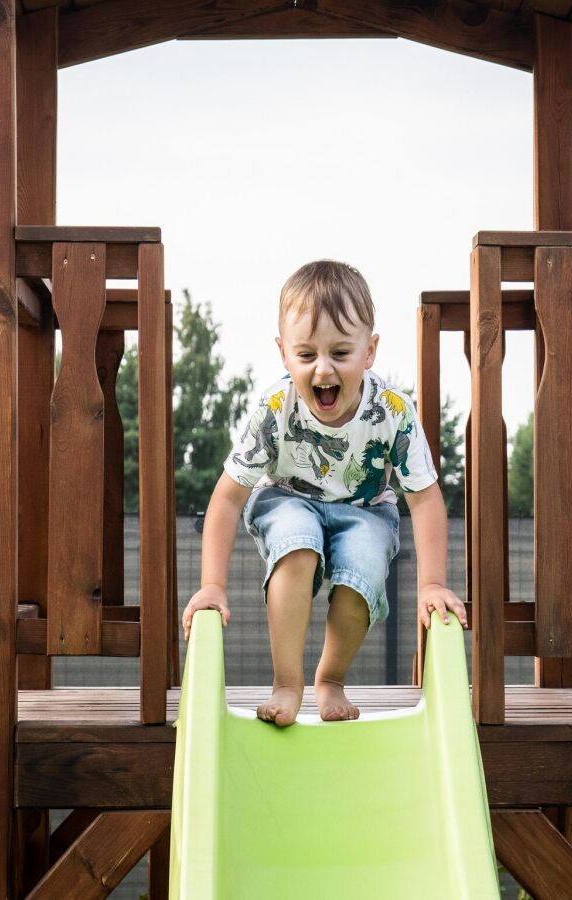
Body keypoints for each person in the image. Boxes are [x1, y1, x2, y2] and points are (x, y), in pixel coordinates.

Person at [181, 259, 467, 727]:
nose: (323, 369)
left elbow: (425, 498)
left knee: (364, 570)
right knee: (296, 545)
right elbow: (229, 498)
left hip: (366, 511)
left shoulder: (392, 411)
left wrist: (432, 583)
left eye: (340, 352)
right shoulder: (275, 410)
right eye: (307, 355)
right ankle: (287, 683)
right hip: (289, 500)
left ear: (370, 350)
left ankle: (330, 678)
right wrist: (212, 584)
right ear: (283, 354)